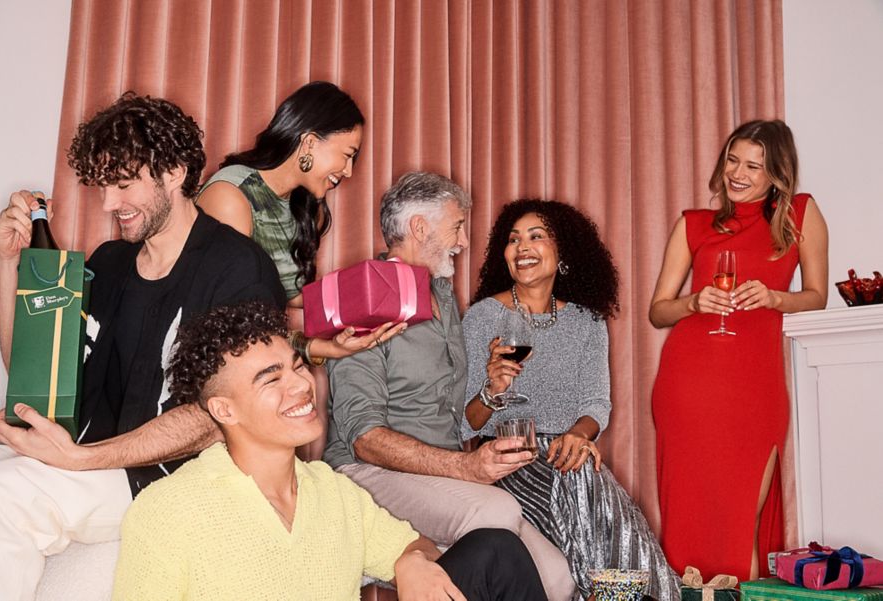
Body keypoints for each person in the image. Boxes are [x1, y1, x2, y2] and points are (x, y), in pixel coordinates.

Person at [0, 93, 284, 600]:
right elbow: (34, 366)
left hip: (168, 482)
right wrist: (8, 265)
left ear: (175, 172)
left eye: (123, 186)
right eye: (103, 187)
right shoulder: (112, 263)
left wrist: (84, 460)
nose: (108, 205)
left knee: (3, 495)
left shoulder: (237, 270)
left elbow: (220, 415)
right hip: (93, 458)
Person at [113, 300, 548, 601]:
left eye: (297, 366)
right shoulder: (166, 510)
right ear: (224, 409)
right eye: (271, 379)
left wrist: (412, 561)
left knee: (495, 550)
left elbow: (413, 545)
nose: (301, 385)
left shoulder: (332, 491)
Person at [324, 172, 578, 601]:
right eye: (457, 226)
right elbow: (365, 439)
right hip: (368, 472)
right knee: (497, 509)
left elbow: (452, 415)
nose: (463, 241)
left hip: (437, 475)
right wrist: (466, 468)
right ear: (420, 228)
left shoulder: (441, 294)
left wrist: (490, 392)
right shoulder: (364, 296)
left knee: (557, 577)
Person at [461, 199, 680, 601]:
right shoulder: (482, 318)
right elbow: (466, 423)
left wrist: (580, 436)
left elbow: (596, 403)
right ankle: (652, 594)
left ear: (563, 252)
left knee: (580, 467)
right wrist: (492, 391)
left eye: (536, 236)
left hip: (565, 453)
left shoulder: (586, 321)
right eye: (513, 240)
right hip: (508, 457)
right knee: (581, 475)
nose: (522, 246)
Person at [649, 120, 828, 581]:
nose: (738, 173)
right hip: (688, 382)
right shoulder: (693, 224)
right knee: (688, 519)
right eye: (733, 159)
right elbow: (658, 311)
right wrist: (693, 301)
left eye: (754, 165)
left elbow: (816, 295)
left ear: (777, 174)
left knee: (739, 518)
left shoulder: (800, 214)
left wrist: (774, 299)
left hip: (754, 385)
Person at [198, 80, 401, 359]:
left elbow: (290, 297)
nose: (349, 171)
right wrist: (320, 347)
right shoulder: (232, 197)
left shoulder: (302, 207)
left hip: (256, 362)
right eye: (346, 156)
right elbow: (227, 325)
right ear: (309, 143)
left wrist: (379, 295)